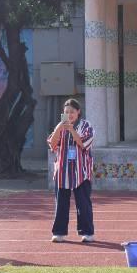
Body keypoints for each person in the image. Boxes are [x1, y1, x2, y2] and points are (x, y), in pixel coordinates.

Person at [47, 99, 95, 243]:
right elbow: (52, 144)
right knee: (61, 203)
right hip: (62, 171)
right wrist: (59, 129)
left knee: (83, 204)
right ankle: (59, 232)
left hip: (81, 172)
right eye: (66, 112)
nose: (69, 114)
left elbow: (83, 143)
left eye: (72, 112)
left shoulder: (86, 125)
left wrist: (71, 130)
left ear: (78, 112)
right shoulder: (60, 126)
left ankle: (87, 233)